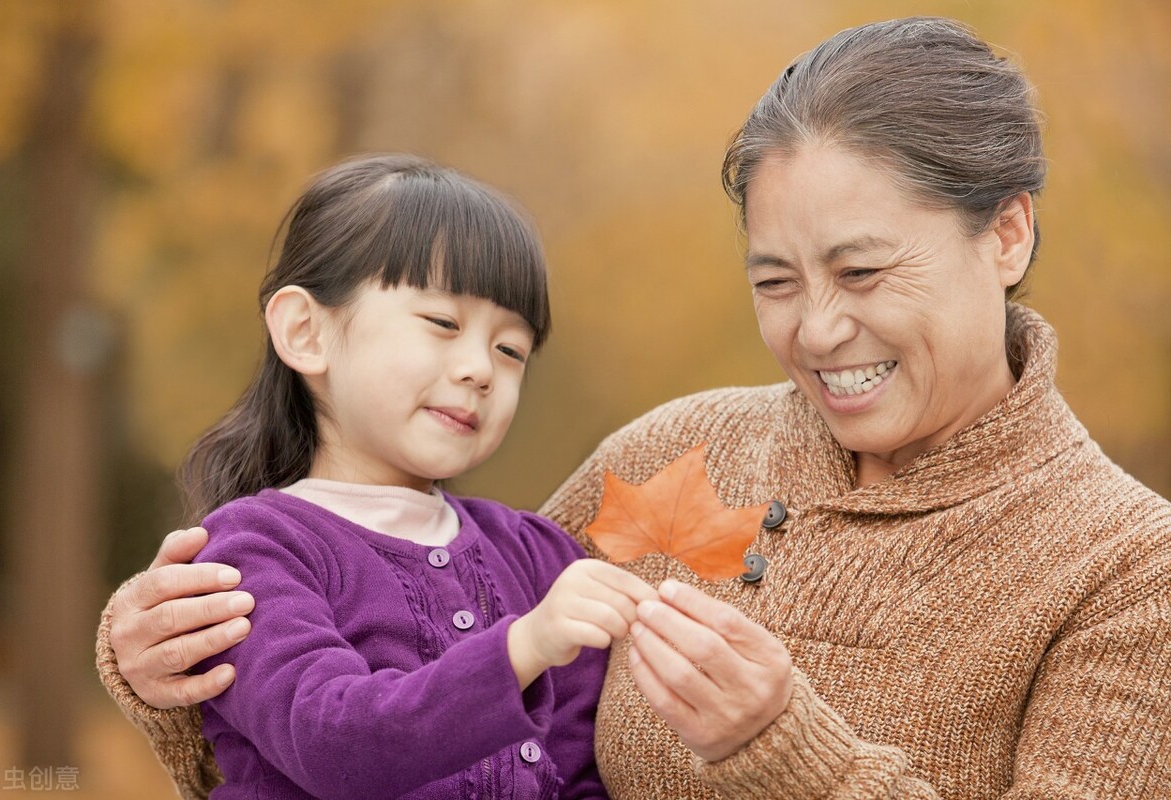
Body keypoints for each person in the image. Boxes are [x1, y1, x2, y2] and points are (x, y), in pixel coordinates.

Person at [97, 17, 1171, 799]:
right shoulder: (678, 450)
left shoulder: (1127, 567)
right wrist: (174, 671)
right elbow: (401, 693)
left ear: (1009, 234)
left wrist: (791, 751)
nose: (818, 330)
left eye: (862, 270)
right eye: (776, 282)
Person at [104, 152, 659, 799]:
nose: (481, 369)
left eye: (511, 350)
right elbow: (335, 745)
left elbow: (584, 774)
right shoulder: (252, 552)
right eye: (443, 324)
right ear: (306, 331)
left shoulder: (537, 556)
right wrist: (524, 647)